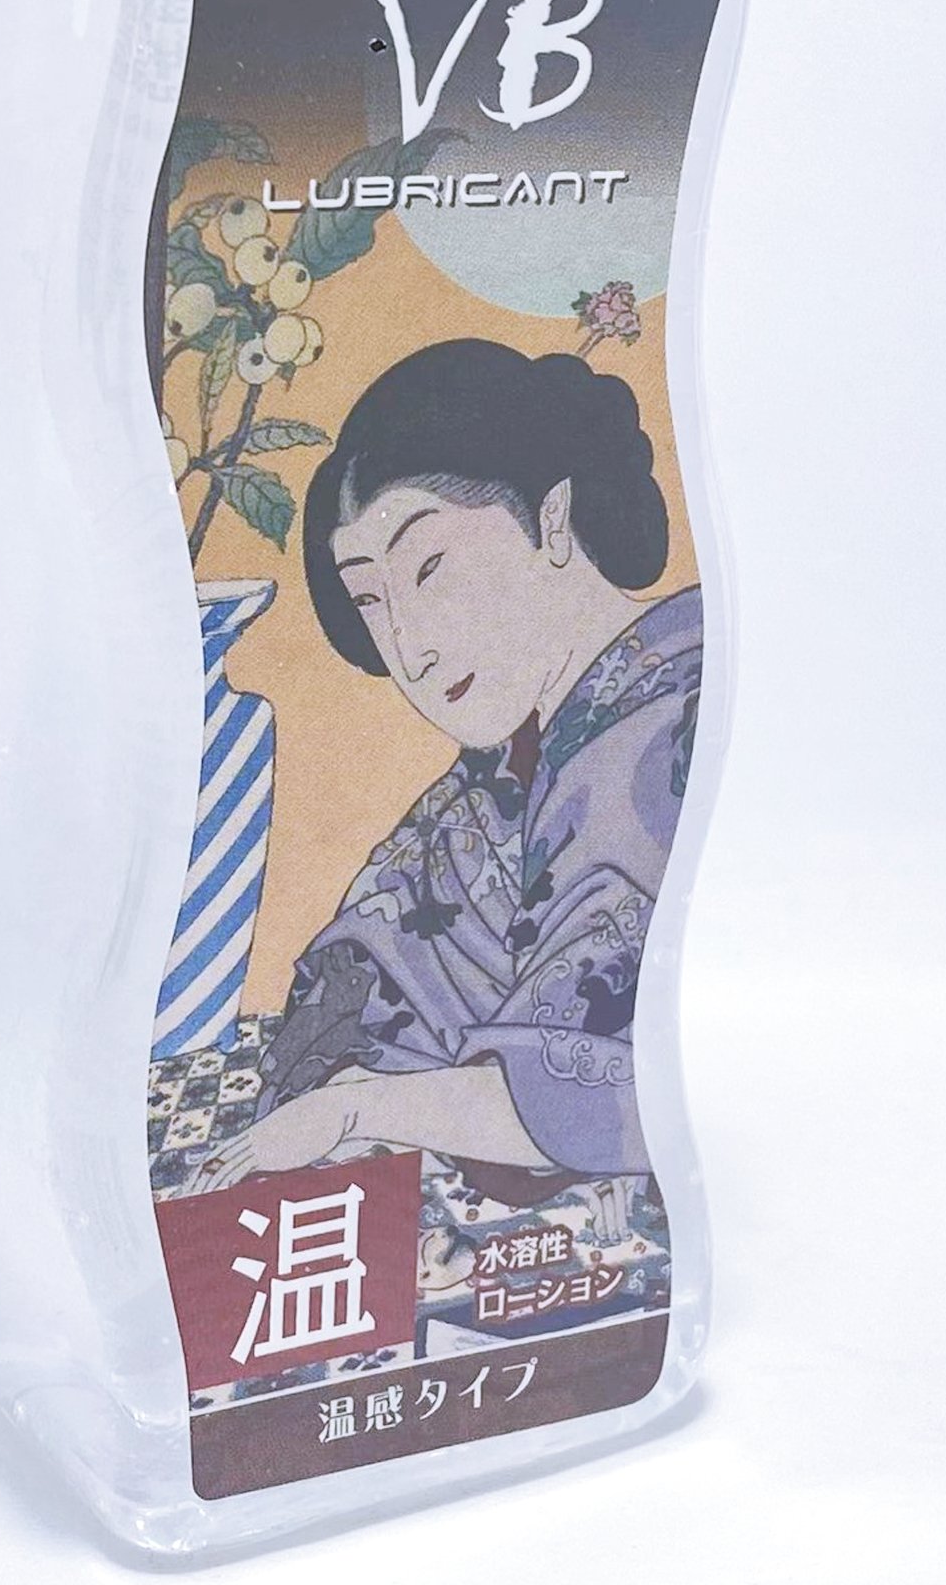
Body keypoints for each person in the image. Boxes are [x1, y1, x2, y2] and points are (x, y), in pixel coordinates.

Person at [197, 339, 700, 1191]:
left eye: (429, 567)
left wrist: (364, 1110)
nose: (410, 647)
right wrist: (350, 1094)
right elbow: (359, 972)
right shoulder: (485, 791)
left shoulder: (675, 722)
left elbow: (610, 1083)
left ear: (551, 518)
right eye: (371, 599)